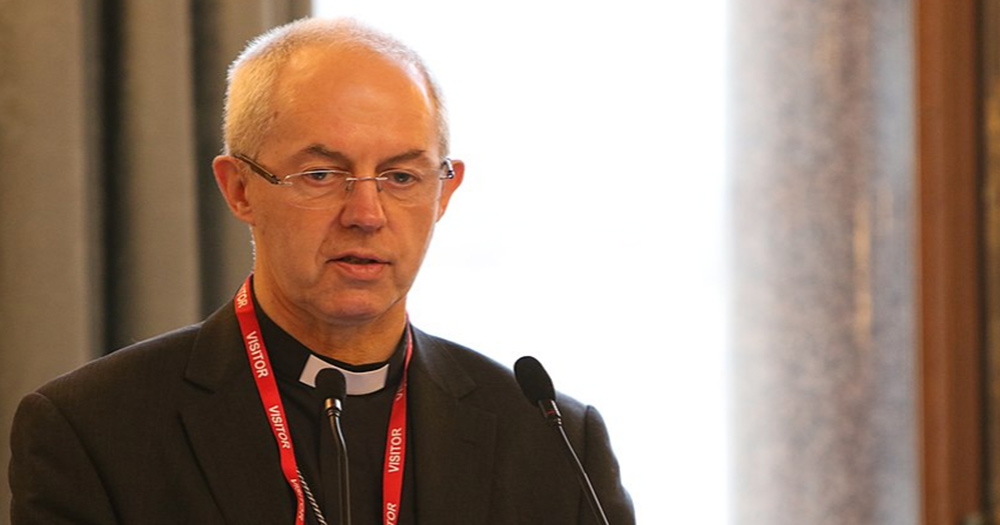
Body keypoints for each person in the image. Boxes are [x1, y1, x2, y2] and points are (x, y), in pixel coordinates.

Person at [9, 17, 634, 525]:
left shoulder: (553, 440)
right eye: (321, 175)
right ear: (240, 189)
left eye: (401, 176)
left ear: (444, 193)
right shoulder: (95, 431)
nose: (366, 214)